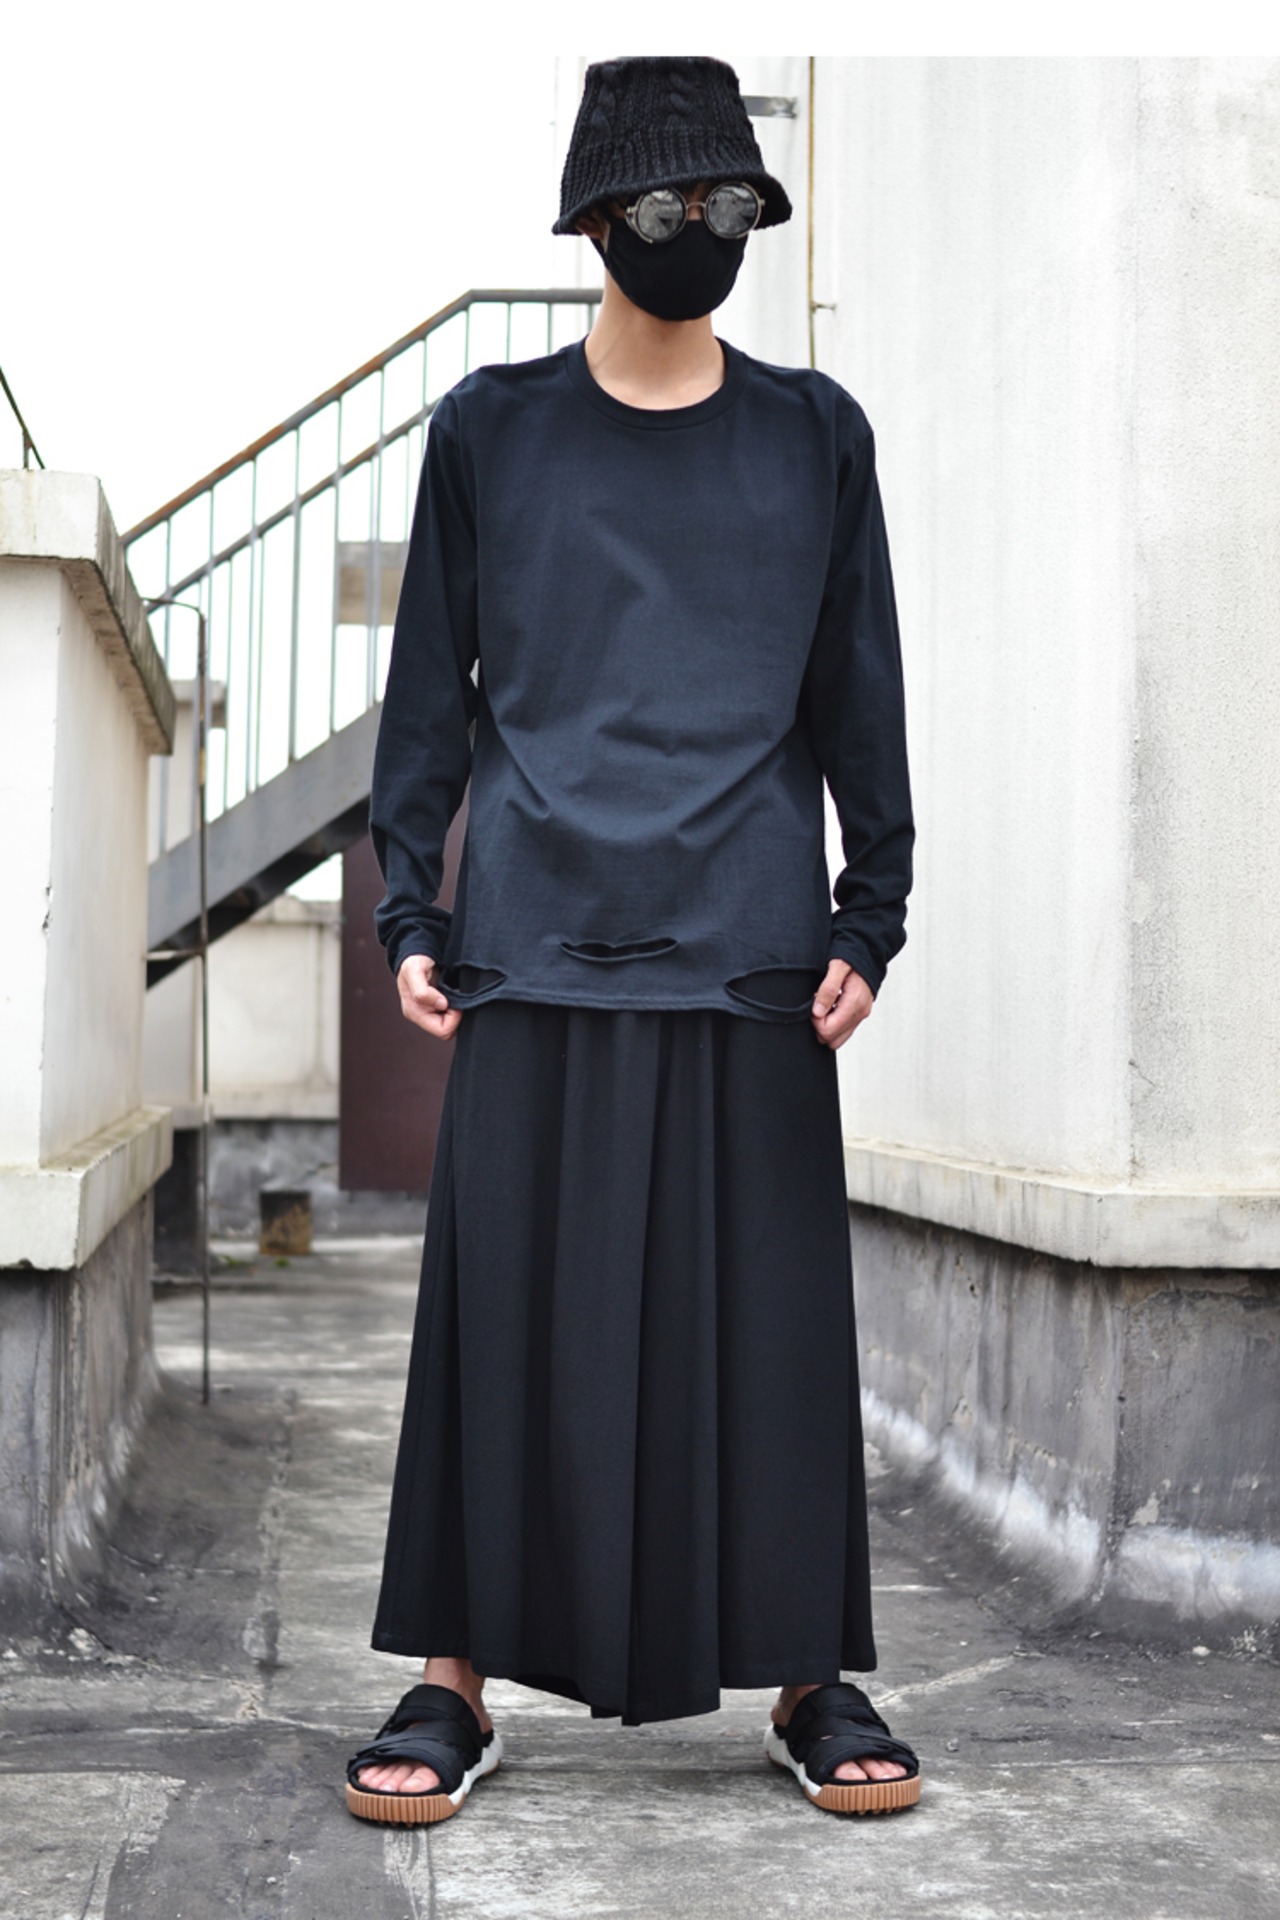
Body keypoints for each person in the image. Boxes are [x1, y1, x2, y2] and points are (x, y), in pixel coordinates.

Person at [345, 54, 921, 1824]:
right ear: (598, 222)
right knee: (504, 1320)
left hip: (751, 940)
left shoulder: (816, 434)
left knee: (774, 1333)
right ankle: (450, 1681)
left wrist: (875, 903)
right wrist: (410, 903)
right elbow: (427, 692)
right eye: (671, 202)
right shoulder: (491, 432)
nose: (703, 231)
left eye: (733, 203)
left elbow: (860, 684)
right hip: (535, 931)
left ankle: (812, 1675)